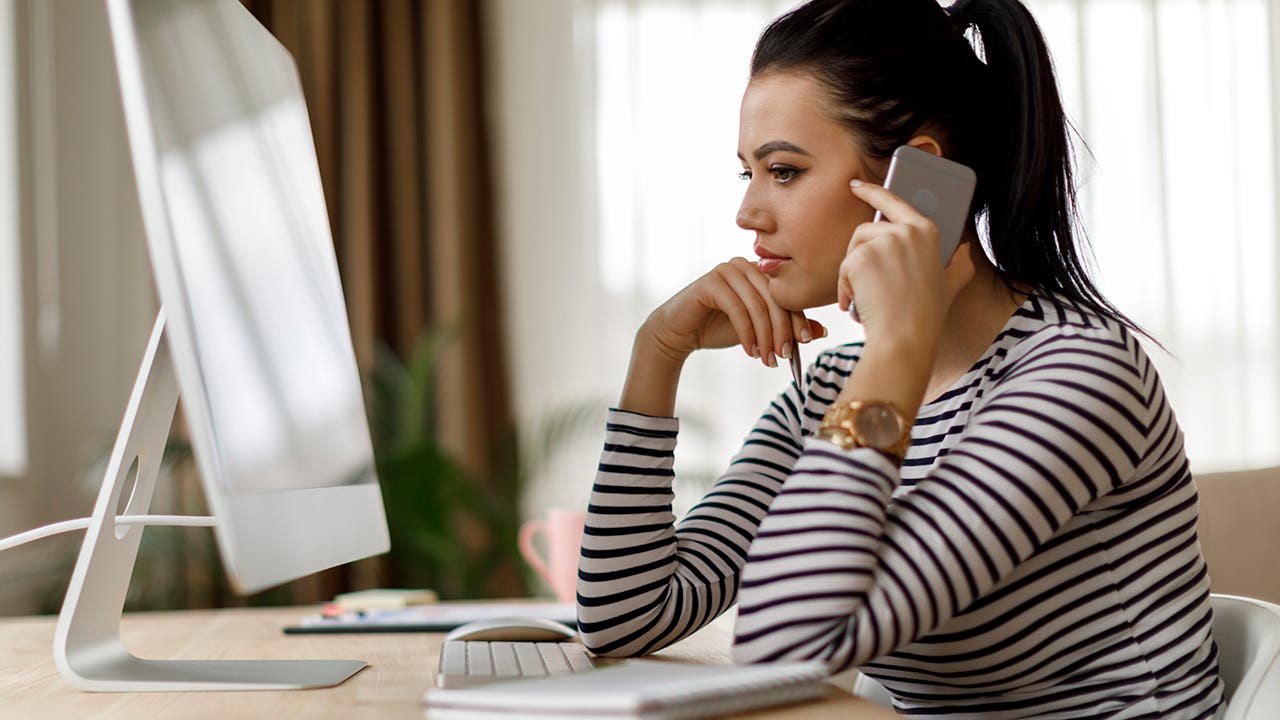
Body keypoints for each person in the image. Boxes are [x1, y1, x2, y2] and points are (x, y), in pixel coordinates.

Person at [575, 0, 1225, 717]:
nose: (749, 214)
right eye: (747, 175)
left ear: (913, 180)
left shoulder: (1076, 374)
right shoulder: (831, 391)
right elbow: (625, 615)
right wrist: (657, 352)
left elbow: (784, 648)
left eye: (784, 171)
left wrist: (895, 344)